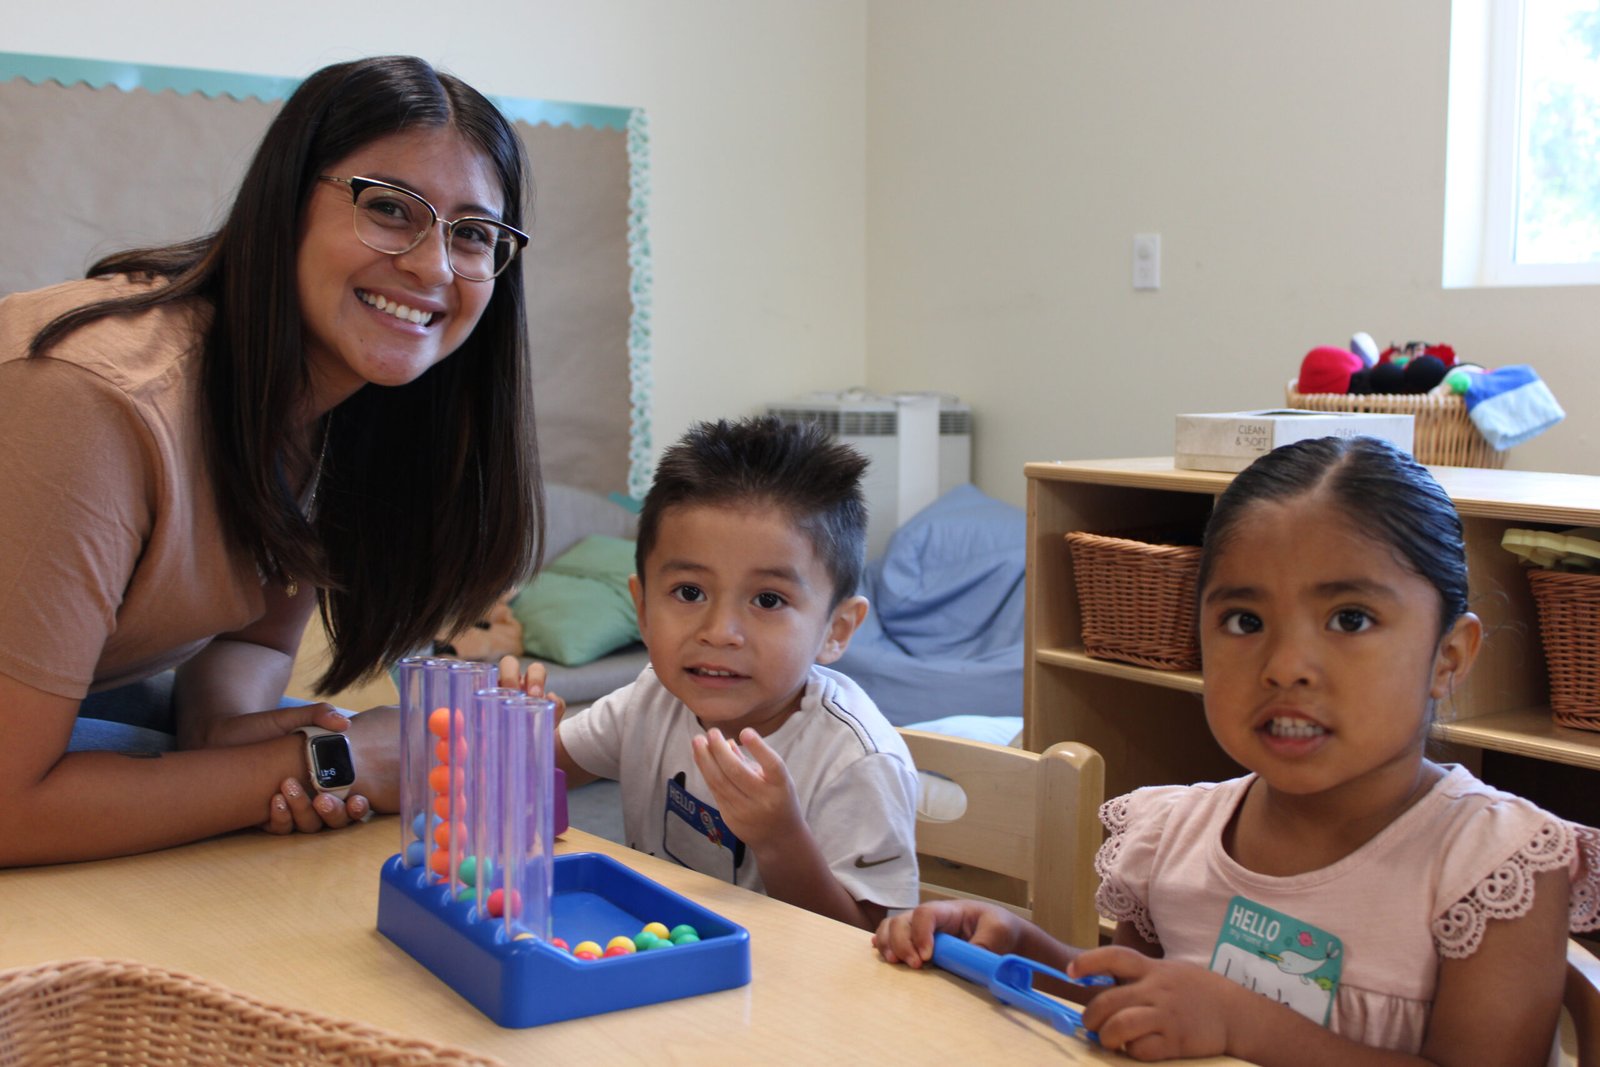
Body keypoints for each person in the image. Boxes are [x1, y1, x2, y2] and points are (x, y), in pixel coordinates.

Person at [875, 436, 1600, 1064]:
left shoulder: (1494, 867)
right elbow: (1145, 1010)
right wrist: (1022, 950)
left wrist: (1242, 1021)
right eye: (1245, 618)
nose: (1285, 663)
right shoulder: (1171, 837)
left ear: (1449, 656)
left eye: (1349, 618)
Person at [0, 56, 543, 867]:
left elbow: (246, 644)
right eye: (391, 209)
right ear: (283, 203)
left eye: (471, 233)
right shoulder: (93, 401)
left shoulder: (342, 401)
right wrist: (333, 762)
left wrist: (229, 735)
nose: (433, 266)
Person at [508, 416, 920, 931]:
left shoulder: (855, 763)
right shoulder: (654, 698)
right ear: (642, 608)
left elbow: (867, 945)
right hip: (662, 968)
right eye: (689, 592)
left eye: (768, 599)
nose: (720, 631)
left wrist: (780, 839)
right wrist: (514, 734)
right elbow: (541, 774)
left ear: (836, 630)